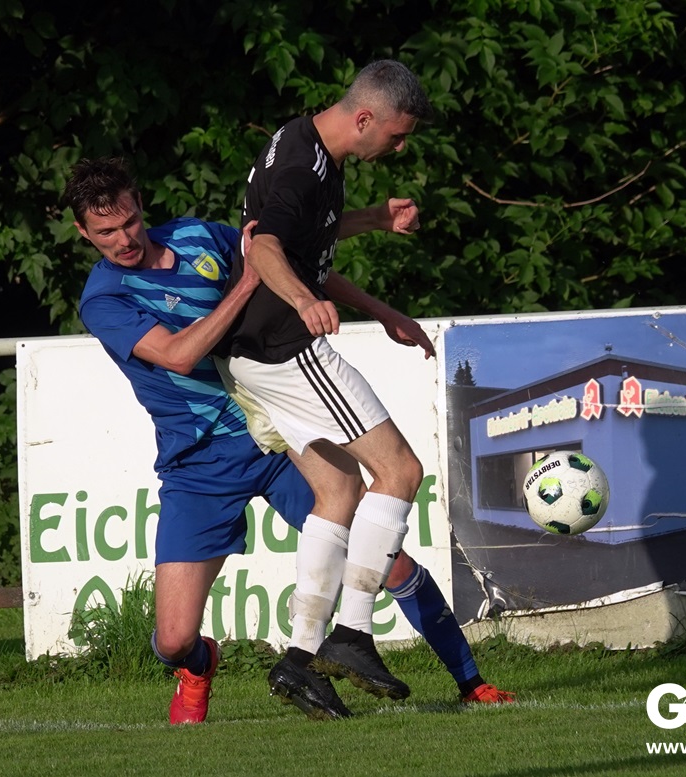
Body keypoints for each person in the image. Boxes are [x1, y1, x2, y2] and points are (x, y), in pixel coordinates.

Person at [66, 157, 512, 725]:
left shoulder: (198, 237)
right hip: (199, 460)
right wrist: (248, 283)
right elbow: (179, 355)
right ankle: (199, 666)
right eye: (106, 231)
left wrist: (382, 304)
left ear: (139, 206)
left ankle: (471, 683)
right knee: (174, 639)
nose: (124, 239)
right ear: (83, 232)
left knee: (389, 561)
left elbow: (289, 258)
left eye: (129, 221)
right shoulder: (104, 297)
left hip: (279, 434)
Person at [219, 60, 513, 718]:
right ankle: (351, 636)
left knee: (339, 491)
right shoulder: (304, 167)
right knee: (400, 472)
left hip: (251, 355)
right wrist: (303, 299)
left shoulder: (308, 145)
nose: (400, 148)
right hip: (284, 345)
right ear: (364, 118)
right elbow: (265, 248)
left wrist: (376, 236)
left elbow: (306, 236)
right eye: (398, 136)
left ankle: (299, 660)